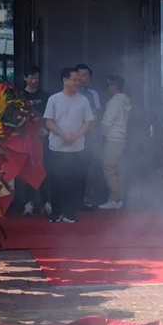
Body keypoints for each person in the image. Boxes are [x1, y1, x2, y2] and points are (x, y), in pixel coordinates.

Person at [43, 67, 95, 223]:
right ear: (65, 80)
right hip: (57, 147)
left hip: (77, 148)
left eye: (78, 80)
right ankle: (56, 212)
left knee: (75, 181)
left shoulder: (83, 100)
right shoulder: (54, 99)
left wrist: (76, 135)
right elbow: (48, 122)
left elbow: (88, 122)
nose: (77, 82)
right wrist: (63, 134)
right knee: (57, 181)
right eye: (74, 79)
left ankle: (71, 213)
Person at [19, 65, 51, 215]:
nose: (34, 81)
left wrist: (41, 123)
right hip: (24, 139)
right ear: (25, 78)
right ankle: (27, 203)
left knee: (43, 169)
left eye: (36, 78)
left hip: (42, 137)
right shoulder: (18, 96)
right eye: (31, 78)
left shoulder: (45, 96)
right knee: (25, 169)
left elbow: (50, 116)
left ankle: (46, 202)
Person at [98, 75, 131, 210]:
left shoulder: (114, 102)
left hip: (112, 139)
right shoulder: (126, 100)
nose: (107, 88)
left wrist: (100, 134)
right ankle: (121, 198)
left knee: (109, 169)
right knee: (120, 170)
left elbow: (107, 122)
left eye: (108, 85)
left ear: (114, 86)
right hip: (122, 138)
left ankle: (113, 199)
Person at [75, 63, 104, 208]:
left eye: (86, 75)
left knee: (87, 169)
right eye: (80, 75)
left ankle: (84, 199)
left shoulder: (94, 94)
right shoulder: (71, 93)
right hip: (72, 136)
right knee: (70, 169)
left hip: (89, 137)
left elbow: (97, 114)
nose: (83, 78)